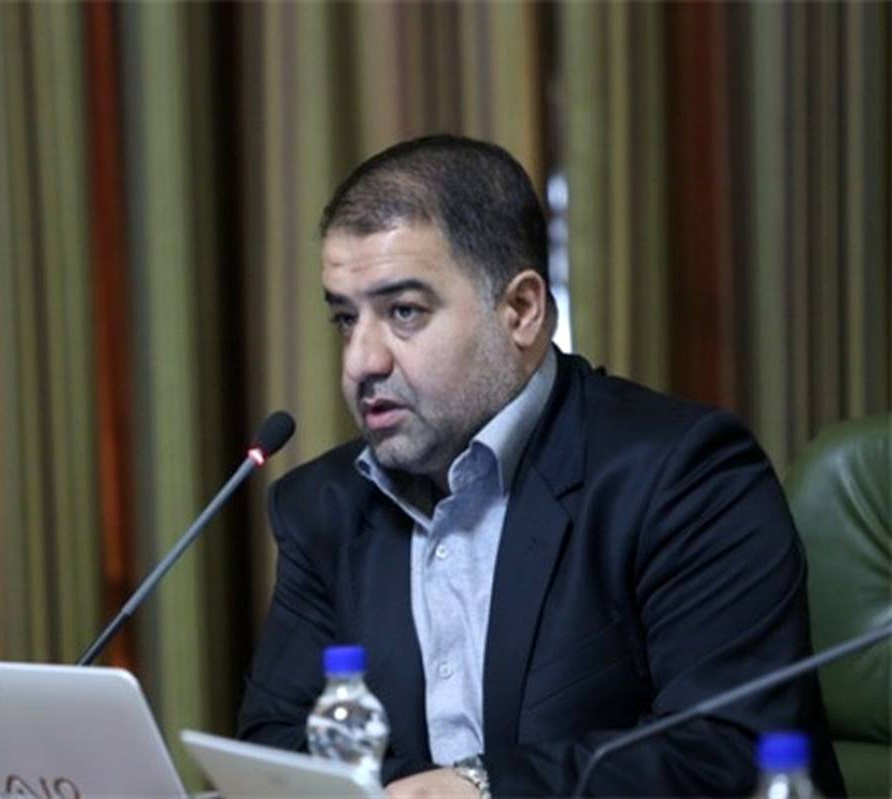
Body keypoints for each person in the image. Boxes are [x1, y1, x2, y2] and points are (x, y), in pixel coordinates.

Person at [236, 135, 845, 797]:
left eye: (404, 312)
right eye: (346, 320)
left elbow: (729, 751)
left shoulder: (684, 475)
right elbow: (278, 744)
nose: (361, 362)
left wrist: (479, 788)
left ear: (521, 310)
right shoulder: (325, 505)